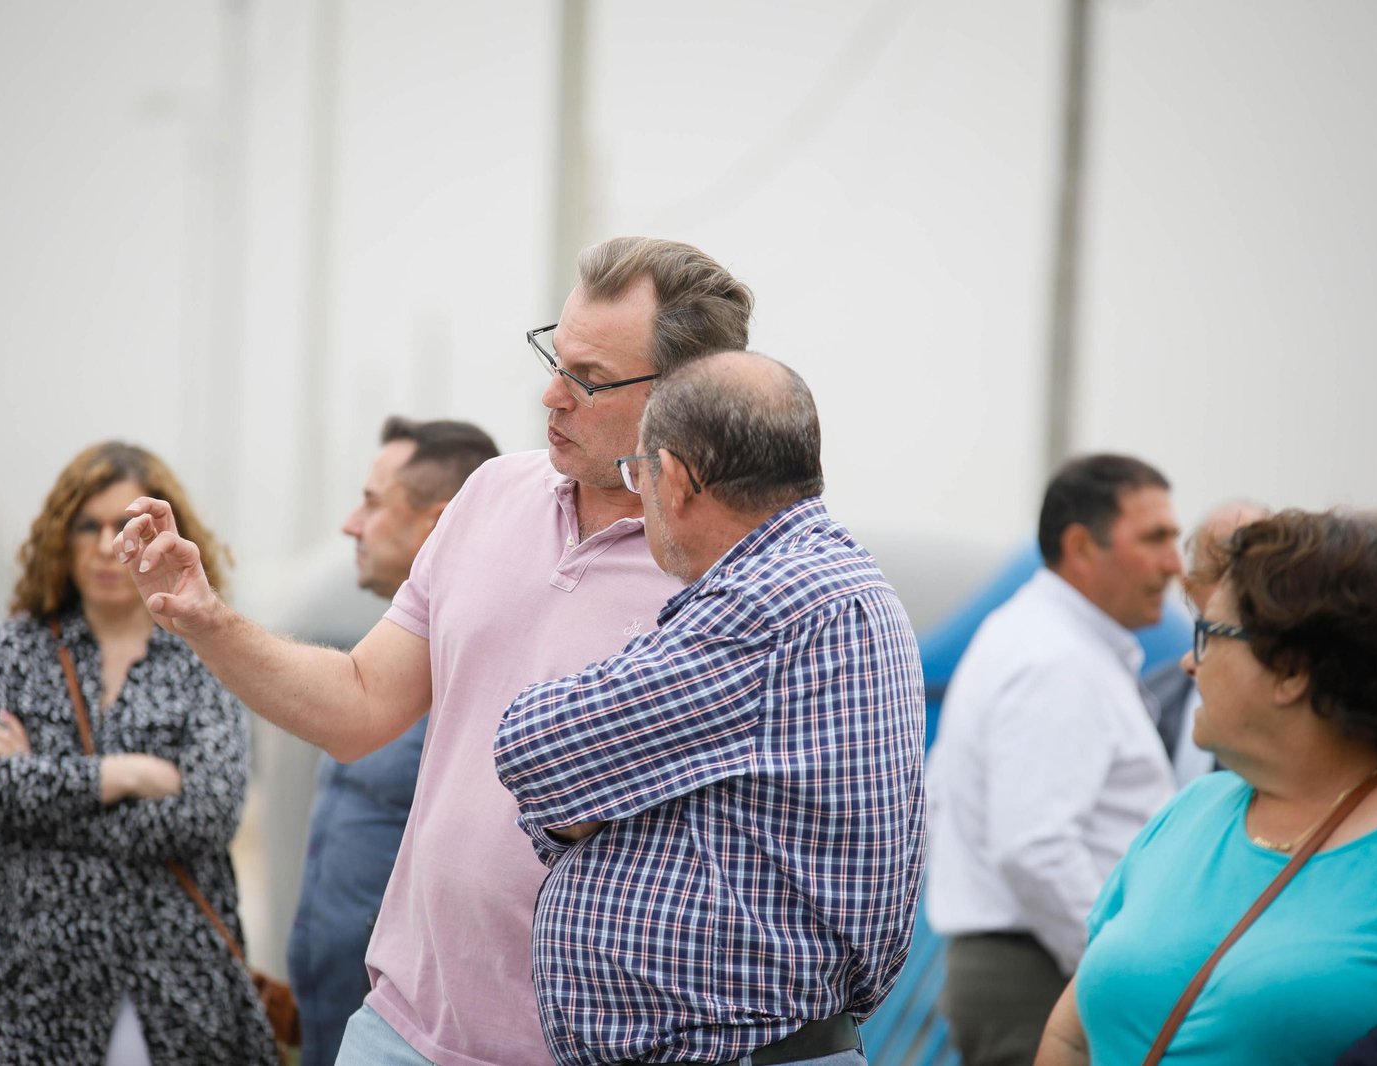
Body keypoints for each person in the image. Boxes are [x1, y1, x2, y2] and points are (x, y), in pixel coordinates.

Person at [109, 236, 754, 1066]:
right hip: (399, 1029)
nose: (551, 393)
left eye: (588, 378)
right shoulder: (491, 495)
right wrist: (204, 617)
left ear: (684, 396)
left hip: (588, 1051)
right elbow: (358, 703)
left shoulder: (731, 570)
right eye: (554, 357)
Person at [493, 352, 927, 1066]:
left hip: (738, 1050)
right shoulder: (829, 578)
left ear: (675, 476)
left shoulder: (769, 601)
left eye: (638, 474)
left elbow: (536, 749)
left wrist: (593, 800)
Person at [1036, 510, 1377, 1065]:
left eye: (1208, 634)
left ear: (1291, 670)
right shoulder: (1193, 809)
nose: (1187, 662)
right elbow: (1071, 1036)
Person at [0, 442, 278, 1066]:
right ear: (60, 539)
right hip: (27, 989)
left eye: (126, 526)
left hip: (175, 991)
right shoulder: (17, 651)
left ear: (165, 538)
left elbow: (210, 812)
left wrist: (37, 806)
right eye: (87, 525)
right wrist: (123, 775)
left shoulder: (206, 657)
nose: (105, 544)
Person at [925, 454, 1183, 1066]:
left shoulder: (1047, 640)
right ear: (1081, 546)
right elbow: (1034, 847)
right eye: (1154, 538)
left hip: (1037, 965)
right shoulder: (1055, 660)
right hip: (1042, 977)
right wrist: (1113, 966)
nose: (1174, 563)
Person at [288, 415, 499, 1066]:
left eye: (373, 503)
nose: (351, 525)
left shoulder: (475, 679)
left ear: (438, 525)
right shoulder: (385, 656)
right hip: (342, 1022)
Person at [1143, 500, 1267, 786]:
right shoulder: (1154, 696)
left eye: (1257, 565)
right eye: (1223, 568)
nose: (1240, 584)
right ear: (1190, 588)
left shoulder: (1305, 712)